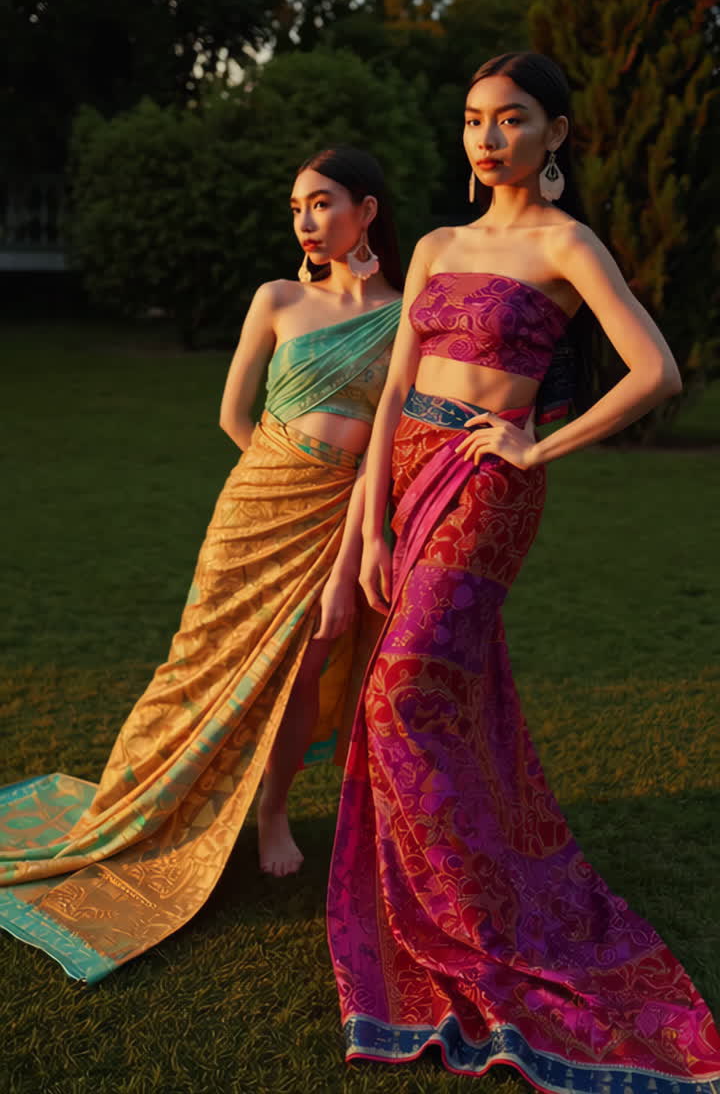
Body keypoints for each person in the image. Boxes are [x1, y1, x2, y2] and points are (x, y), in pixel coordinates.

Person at [327, 55, 720, 1091]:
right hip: (405, 469)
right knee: (439, 696)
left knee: (405, 689)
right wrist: (367, 530)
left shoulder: (566, 243)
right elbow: (393, 395)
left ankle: (475, 921)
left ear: (556, 136)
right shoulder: (436, 244)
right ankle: (461, 879)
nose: (489, 138)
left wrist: (539, 446)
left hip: (489, 483)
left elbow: (658, 369)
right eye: (473, 121)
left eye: (512, 120)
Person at [0, 145, 403, 983]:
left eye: (322, 203)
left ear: (367, 210)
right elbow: (231, 411)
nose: (306, 221)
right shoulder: (278, 298)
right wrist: (279, 479)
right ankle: (140, 798)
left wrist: (347, 531)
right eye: (296, 207)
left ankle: (273, 811)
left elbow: (390, 448)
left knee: (306, 666)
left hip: (338, 517)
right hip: (255, 507)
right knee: (198, 660)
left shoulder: (405, 315)